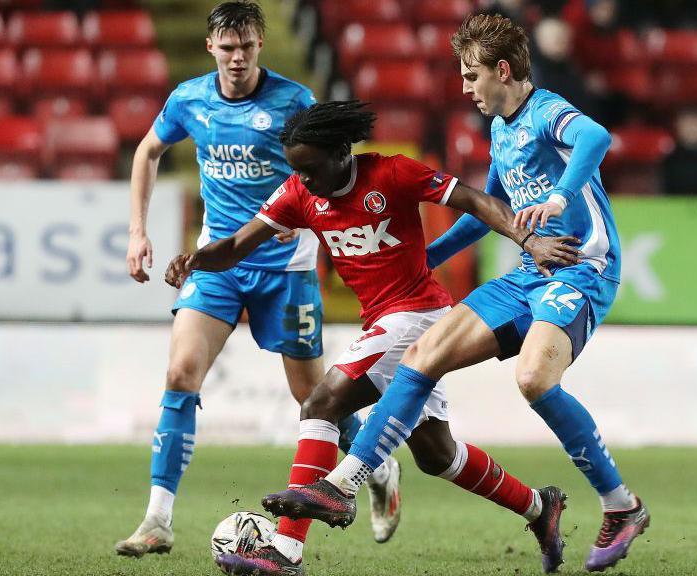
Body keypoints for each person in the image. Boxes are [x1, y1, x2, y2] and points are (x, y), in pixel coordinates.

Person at [263, 14, 650, 574]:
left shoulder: (545, 112)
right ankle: (343, 486)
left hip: (581, 268)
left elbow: (595, 137)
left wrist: (563, 197)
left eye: (472, 76)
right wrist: (428, 258)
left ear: (503, 69)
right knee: (422, 358)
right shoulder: (500, 129)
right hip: (526, 274)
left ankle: (622, 506)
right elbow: (491, 209)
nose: (466, 88)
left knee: (534, 380)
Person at [164, 100, 582, 576]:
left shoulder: (392, 174)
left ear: (342, 151)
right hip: (386, 321)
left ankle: (285, 550)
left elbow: (474, 200)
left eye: (310, 168)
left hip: (418, 314)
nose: (303, 179)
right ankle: (538, 507)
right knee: (436, 454)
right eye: (296, 171)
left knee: (321, 403)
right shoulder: (298, 195)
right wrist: (196, 259)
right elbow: (238, 245)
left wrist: (527, 239)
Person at [114, 1, 396, 557]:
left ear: (260, 45)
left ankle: (377, 465)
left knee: (313, 397)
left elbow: (334, 168)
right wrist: (137, 232)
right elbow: (148, 152)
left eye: (246, 47)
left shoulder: (293, 101)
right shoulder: (189, 100)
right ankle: (157, 520)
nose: (237, 57)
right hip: (218, 260)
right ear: (210, 48)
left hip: (285, 267)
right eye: (228, 47)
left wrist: (308, 212)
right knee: (180, 374)